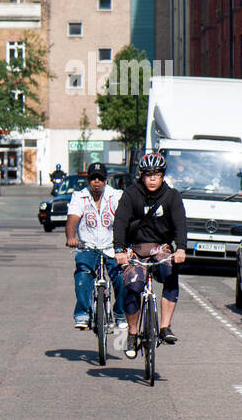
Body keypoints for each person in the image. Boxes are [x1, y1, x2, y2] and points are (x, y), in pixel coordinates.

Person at [113, 152, 188, 359]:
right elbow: (120, 222)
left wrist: (180, 248)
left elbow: (180, 223)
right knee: (133, 286)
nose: (152, 179)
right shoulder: (131, 194)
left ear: (163, 176)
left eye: (156, 174)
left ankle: (164, 328)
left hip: (160, 247)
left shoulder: (172, 196)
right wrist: (119, 250)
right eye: (148, 175)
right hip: (136, 248)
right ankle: (132, 333)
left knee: (170, 273)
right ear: (142, 176)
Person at [66, 161, 125, 330]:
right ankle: (82, 314)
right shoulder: (79, 196)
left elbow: (123, 220)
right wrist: (71, 237)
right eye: (93, 179)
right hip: (88, 246)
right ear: (88, 181)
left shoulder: (116, 196)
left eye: (100, 178)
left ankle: (120, 314)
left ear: (106, 180)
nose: (96, 182)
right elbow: (72, 220)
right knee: (83, 274)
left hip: (112, 247)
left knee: (122, 277)